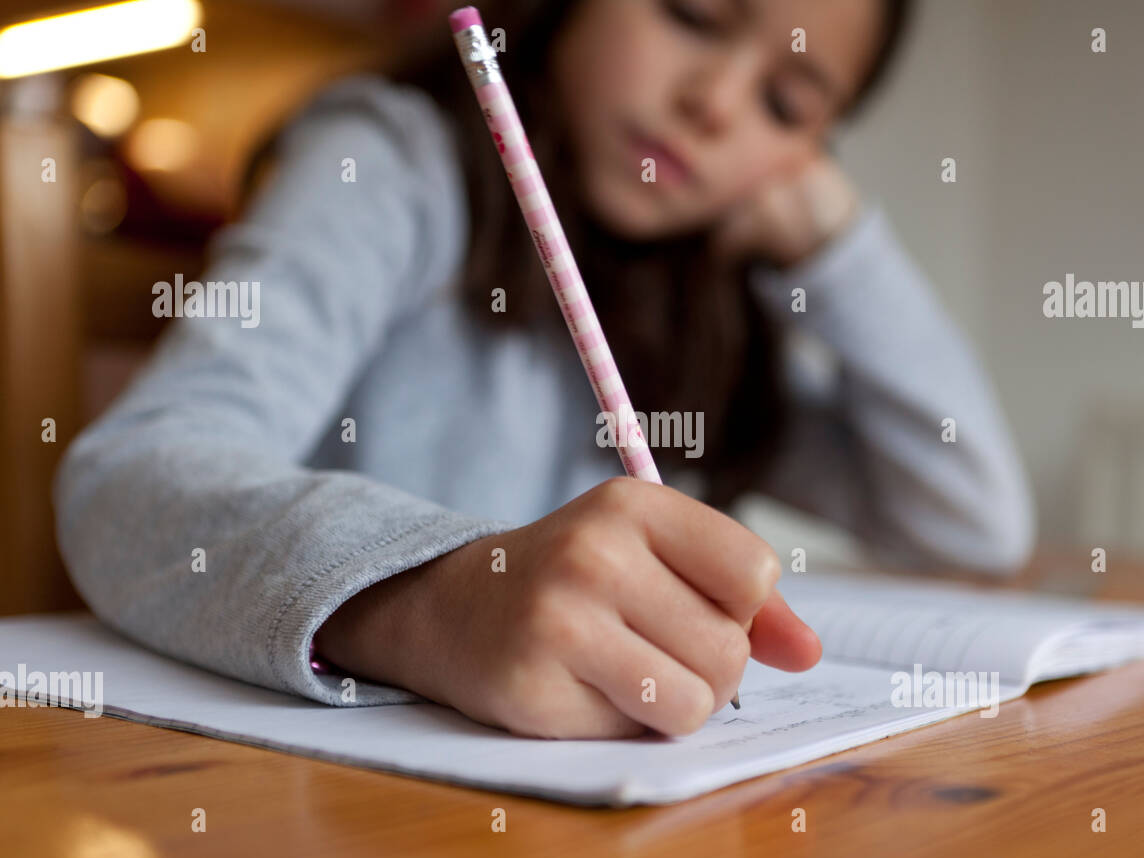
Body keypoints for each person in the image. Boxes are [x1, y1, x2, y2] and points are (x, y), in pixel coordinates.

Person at [54, 0, 1033, 740]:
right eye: (692, 14)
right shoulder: (393, 166)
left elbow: (970, 516)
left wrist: (837, 242)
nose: (713, 104)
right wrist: (439, 599)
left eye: (785, 103)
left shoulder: (705, 312)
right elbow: (128, 477)